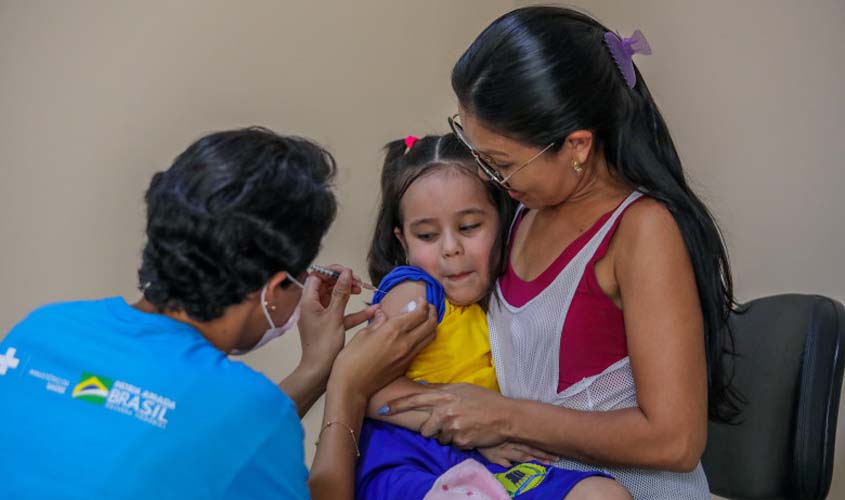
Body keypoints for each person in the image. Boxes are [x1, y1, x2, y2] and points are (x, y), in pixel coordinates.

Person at [382, 7, 742, 499]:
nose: (488, 178)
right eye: (478, 153)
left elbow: (676, 441)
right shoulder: (523, 210)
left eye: (501, 163)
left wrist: (507, 419)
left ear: (576, 146)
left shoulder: (643, 232)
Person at [0, 127, 437, 500]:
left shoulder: (42, 329)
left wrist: (316, 369)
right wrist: (348, 388)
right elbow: (220, 427)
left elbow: (191, 436)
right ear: (272, 290)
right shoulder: (247, 412)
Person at [355, 134, 631, 500]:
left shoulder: (504, 298)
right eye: (426, 234)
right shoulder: (415, 293)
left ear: (503, 223)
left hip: (488, 459)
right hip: (411, 455)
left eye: (469, 227)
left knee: (602, 494)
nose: (451, 248)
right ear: (402, 241)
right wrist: (463, 424)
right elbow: (370, 388)